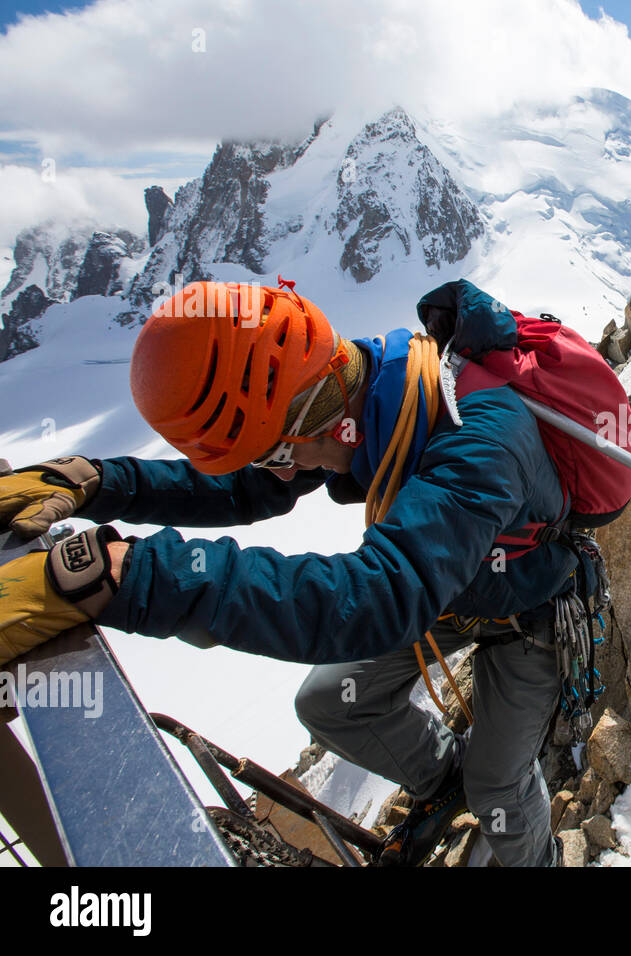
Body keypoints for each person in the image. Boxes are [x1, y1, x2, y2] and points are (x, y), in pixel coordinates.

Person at [0, 277, 592, 867]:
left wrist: (134, 575)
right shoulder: (363, 385)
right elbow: (242, 488)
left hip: (527, 610)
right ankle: (444, 780)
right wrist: (97, 481)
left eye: (278, 453)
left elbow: (381, 598)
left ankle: (534, 855)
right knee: (330, 703)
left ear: (329, 411)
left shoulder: (480, 438)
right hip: (450, 585)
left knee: (499, 790)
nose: (280, 474)